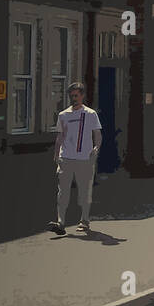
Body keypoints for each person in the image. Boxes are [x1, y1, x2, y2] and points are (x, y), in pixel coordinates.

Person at [48, 82, 102, 235]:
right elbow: (60, 136)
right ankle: (60, 222)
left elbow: (97, 134)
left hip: (84, 158)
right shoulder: (63, 115)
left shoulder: (90, 114)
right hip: (66, 158)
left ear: (82, 96)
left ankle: (84, 220)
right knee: (62, 192)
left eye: (76, 95)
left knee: (84, 192)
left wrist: (96, 148)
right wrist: (56, 154)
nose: (74, 99)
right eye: (71, 96)